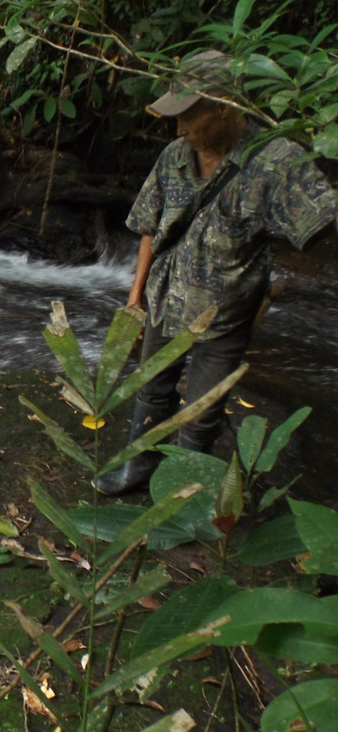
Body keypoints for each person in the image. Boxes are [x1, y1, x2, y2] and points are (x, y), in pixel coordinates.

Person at [96, 50, 338, 496]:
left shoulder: (275, 161)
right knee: (151, 388)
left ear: (223, 105)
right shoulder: (175, 157)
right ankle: (140, 465)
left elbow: (323, 222)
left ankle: (188, 489)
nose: (179, 129)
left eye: (189, 117)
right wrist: (135, 298)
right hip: (165, 298)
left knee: (203, 408)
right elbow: (149, 227)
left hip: (225, 313)